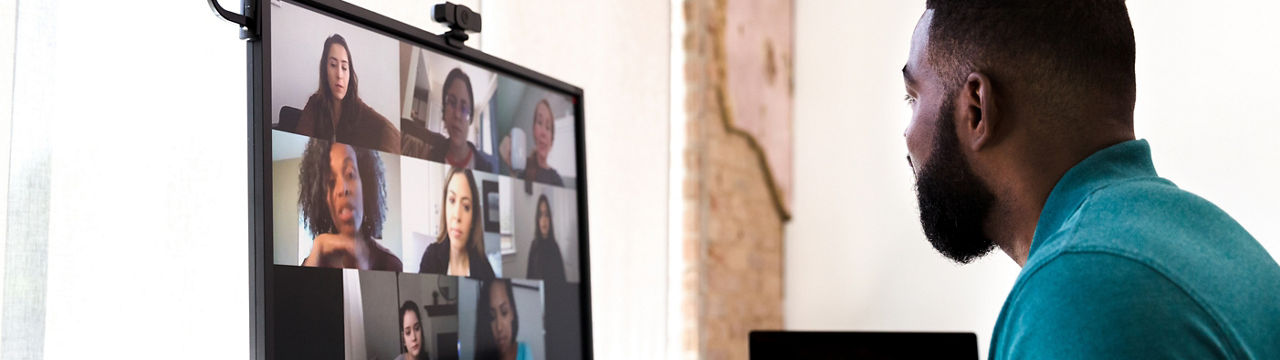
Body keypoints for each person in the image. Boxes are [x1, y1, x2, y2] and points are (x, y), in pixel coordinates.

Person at [901, 1, 1280, 358]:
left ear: (977, 109)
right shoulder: (1220, 246)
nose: (906, 135)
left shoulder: (1078, 290)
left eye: (912, 98)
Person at [298, 139, 402, 271]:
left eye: (350, 174)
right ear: (323, 201)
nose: (343, 189)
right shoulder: (314, 262)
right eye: (330, 181)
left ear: (365, 184)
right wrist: (317, 248)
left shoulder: (392, 265)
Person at [294, 34, 401, 154]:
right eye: (333, 65)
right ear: (324, 70)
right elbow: (299, 145)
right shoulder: (315, 103)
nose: (339, 74)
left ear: (350, 74)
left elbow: (392, 132)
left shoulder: (358, 108)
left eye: (344, 67)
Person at [409, 68, 498, 172]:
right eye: (452, 102)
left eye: (464, 107)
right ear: (444, 111)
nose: (457, 115)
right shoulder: (431, 157)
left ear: (471, 117)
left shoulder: (487, 167)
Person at [418, 167, 496, 278]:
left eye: (466, 206)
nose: (457, 215)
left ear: (473, 219)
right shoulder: (431, 256)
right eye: (452, 200)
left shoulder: (484, 268)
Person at [501, 99, 564, 188]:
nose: (543, 133)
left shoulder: (556, 179)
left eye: (548, 127)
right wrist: (512, 171)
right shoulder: (523, 167)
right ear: (533, 129)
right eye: (539, 122)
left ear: (551, 139)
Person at [476, 279, 533, 360]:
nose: (499, 327)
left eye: (504, 312)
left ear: (512, 312)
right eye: (492, 317)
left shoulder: (524, 350)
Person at [526, 194, 566, 282]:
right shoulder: (534, 246)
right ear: (537, 219)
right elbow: (528, 276)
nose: (544, 220)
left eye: (546, 215)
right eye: (541, 215)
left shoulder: (555, 247)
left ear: (550, 219)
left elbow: (562, 279)